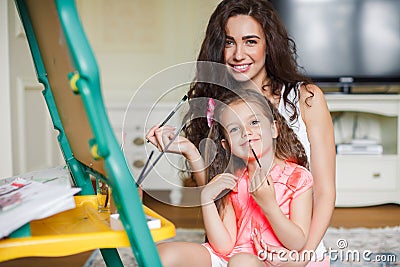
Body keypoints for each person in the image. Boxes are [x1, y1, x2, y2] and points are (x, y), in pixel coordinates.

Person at [147, 0, 336, 265]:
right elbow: (217, 189)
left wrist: (303, 255)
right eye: (228, 42)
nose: (238, 54)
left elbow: (325, 192)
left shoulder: (306, 98)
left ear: (268, 44)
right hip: (236, 240)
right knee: (161, 257)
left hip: (291, 245)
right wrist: (192, 154)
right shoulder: (215, 103)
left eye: (250, 41)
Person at [152, 89, 318, 266]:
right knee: (162, 253)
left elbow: (297, 242)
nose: (246, 132)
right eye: (234, 128)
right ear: (226, 145)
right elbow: (223, 246)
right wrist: (206, 198)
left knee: (241, 262)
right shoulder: (233, 180)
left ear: (274, 129)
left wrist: (269, 206)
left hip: (270, 262)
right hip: (230, 258)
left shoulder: (297, 178)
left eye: (254, 122)